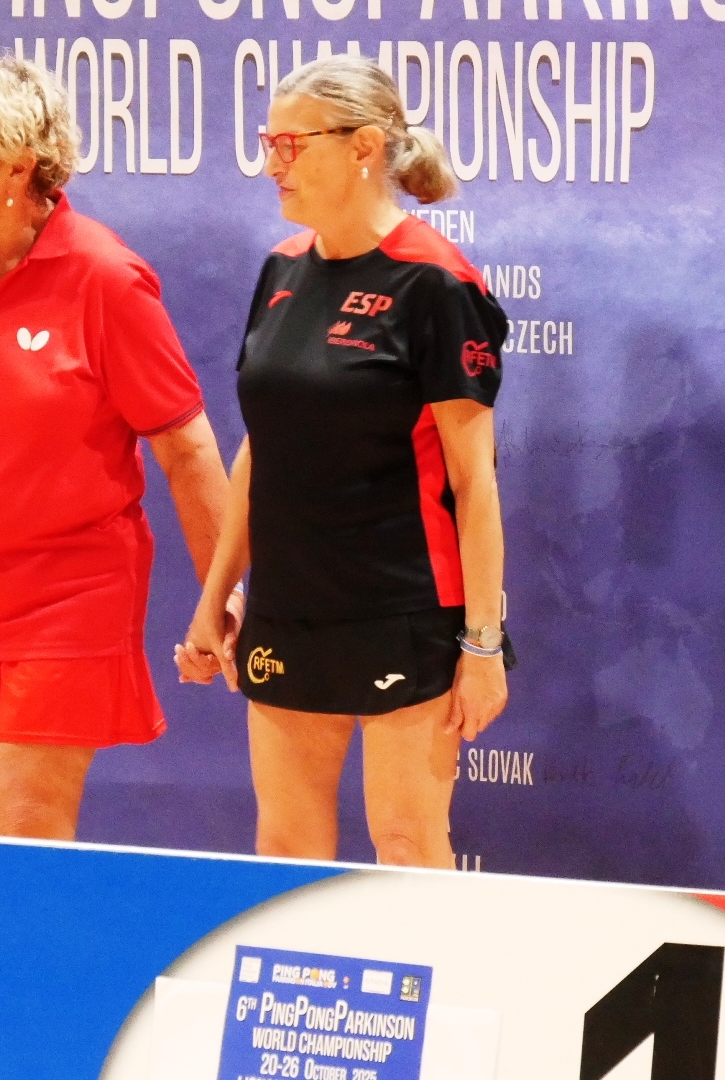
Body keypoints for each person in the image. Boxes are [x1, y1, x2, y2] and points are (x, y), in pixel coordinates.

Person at [0, 53, 232, 918]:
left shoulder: (106, 278)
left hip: (60, 609)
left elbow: (186, 448)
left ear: (19, 166)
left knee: (15, 878)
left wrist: (220, 595)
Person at [177, 56, 512, 870]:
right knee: (285, 853)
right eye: (268, 143)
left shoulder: (436, 283)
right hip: (289, 611)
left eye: (291, 144)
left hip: (403, 612)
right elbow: (263, 446)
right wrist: (217, 596)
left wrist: (482, 646)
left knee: (406, 847)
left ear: (364, 146)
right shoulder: (282, 269)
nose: (272, 164)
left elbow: (474, 483)